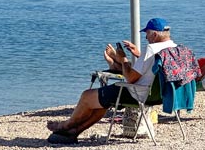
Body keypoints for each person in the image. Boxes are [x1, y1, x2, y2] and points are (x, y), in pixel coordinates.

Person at [46, 18, 176, 145]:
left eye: (147, 34)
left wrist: (123, 58)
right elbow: (153, 63)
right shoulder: (173, 48)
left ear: (154, 34)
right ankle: (74, 131)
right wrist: (139, 54)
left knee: (87, 96)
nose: (146, 38)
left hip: (138, 93)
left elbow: (131, 78)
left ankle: (65, 125)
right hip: (159, 96)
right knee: (101, 102)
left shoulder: (151, 49)